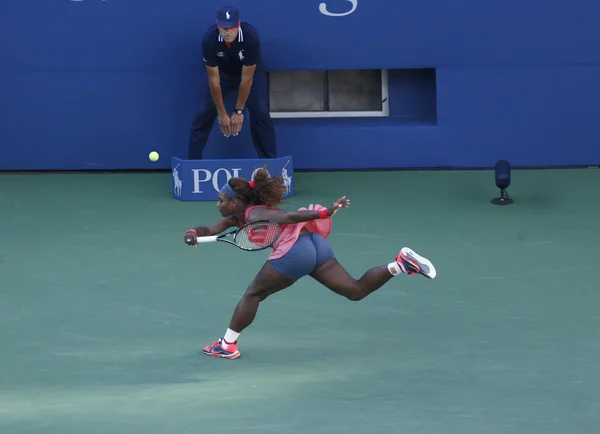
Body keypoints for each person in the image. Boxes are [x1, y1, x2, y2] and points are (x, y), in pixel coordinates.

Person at [183, 169, 437, 359]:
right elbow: (209, 228)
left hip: (294, 251)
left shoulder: (255, 213)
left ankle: (226, 345)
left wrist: (325, 212)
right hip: (315, 245)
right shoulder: (234, 218)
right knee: (355, 290)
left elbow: (289, 216)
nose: (218, 204)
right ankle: (400, 265)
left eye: (221, 200)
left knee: (254, 294)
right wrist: (193, 232)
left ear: (236, 202)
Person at [188, 6, 276, 160]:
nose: (228, 32)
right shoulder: (209, 39)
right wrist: (222, 113)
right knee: (202, 114)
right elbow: (214, 79)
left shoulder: (250, 37)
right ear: (217, 25)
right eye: (224, 28)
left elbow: (247, 79)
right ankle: (192, 164)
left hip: (250, 73)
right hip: (222, 75)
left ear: (239, 24)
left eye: (231, 28)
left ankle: (270, 166)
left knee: (261, 113)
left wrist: (238, 111)